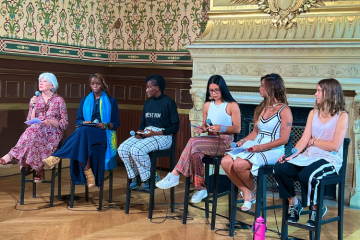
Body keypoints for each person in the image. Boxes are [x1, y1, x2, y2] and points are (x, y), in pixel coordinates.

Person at [274, 78, 348, 227]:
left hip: (329, 159)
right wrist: (291, 154)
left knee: (307, 175)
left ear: (330, 93)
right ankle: (294, 204)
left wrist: (314, 142)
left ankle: (317, 209)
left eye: (319, 91)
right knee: (280, 167)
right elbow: (304, 140)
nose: (315, 94)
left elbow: (334, 146)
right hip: (310, 156)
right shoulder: (313, 113)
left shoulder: (342, 116)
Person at [156, 75, 241, 203]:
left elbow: (237, 129)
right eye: (211, 90)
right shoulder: (207, 105)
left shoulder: (231, 105)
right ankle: (201, 188)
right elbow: (205, 125)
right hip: (210, 140)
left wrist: (221, 128)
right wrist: (202, 129)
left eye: (216, 90)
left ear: (223, 89)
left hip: (225, 142)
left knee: (192, 142)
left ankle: (175, 174)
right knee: (195, 152)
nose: (214, 93)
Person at [221, 73, 292, 211]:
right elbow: (255, 132)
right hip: (255, 144)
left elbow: (284, 139)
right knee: (226, 161)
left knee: (239, 164)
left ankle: (253, 191)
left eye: (262, 85)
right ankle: (249, 191)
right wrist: (242, 141)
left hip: (273, 149)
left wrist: (260, 147)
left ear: (271, 88)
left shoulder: (285, 110)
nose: (259, 88)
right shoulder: (263, 108)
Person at [42, 73, 119, 188]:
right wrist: (84, 122)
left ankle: (57, 156)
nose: (95, 86)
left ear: (102, 85)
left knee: (81, 132)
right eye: (93, 84)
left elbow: (116, 123)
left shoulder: (111, 101)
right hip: (87, 132)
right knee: (83, 130)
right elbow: (78, 121)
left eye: (98, 83)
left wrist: (105, 125)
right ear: (90, 85)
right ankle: (89, 174)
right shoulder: (84, 100)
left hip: (102, 132)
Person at [0, 73, 68, 182]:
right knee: (34, 130)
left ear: (52, 85)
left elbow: (64, 123)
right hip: (37, 130)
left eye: (44, 81)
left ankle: (14, 157)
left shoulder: (59, 100)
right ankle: (39, 169)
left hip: (53, 133)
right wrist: (34, 106)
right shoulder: (35, 99)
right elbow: (30, 121)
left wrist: (50, 122)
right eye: (40, 81)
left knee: (33, 132)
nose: (41, 83)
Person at [117, 75, 179, 191]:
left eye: (149, 87)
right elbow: (143, 123)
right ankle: (138, 176)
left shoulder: (169, 103)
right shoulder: (147, 103)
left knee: (136, 150)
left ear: (157, 88)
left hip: (163, 136)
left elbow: (175, 127)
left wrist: (155, 133)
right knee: (122, 149)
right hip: (147, 133)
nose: (146, 90)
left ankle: (151, 176)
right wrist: (139, 132)